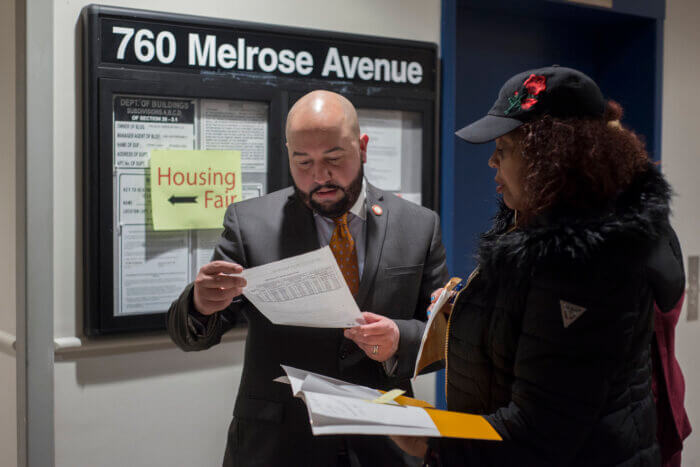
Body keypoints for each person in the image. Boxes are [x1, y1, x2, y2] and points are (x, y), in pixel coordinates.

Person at [392, 66, 685, 466]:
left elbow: (543, 428)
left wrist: (431, 444)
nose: (492, 161)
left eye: (505, 149)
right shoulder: (535, 224)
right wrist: (465, 308)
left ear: (552, 155)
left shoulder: (586, 264)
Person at [167, 90, 448, 466]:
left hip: (385, 445)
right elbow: (194, 335)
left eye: (334, 158)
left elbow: (445, 336)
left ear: (362, 148)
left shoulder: (419, 225)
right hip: (279, 445)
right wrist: (201, 304)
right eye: (303, 162)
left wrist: (399, 339)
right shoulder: (251, 224)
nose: (320, 176)